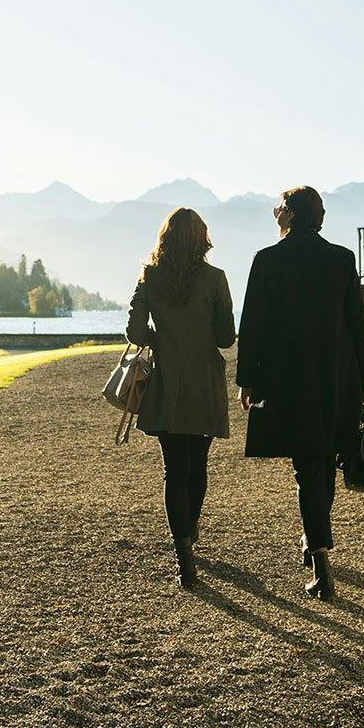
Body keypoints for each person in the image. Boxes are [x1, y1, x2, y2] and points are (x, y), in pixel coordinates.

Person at [236, 185, 364, 601]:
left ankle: (319, 557)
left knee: (309, 465)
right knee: (324, 459)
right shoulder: (341, 259)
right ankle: (315, 542)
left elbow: (253, 327)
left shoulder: (267, 260)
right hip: (338, 379)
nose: (274, 212)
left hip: (289, 382)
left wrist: (247, 380)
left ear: (289, 216)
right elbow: (358, 327)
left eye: (279, 207)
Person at [126, 207, 236, 589]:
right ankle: (191, 531)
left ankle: (183, 556)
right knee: (197, 465)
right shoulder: (215, 279)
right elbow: (226, 338)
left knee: (174, 469)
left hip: (166, 382)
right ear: (201, 238)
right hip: (204, 382)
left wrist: (161, 340)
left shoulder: (150, 277)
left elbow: (136, 333)